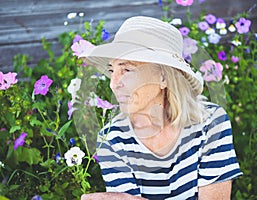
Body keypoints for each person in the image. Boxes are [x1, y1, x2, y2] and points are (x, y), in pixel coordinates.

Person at [80, 16, 242, 200]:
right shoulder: (112, 139)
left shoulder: (211, 123)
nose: (113, 84)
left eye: (127, 70)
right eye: (112, 70)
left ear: (163, 78)